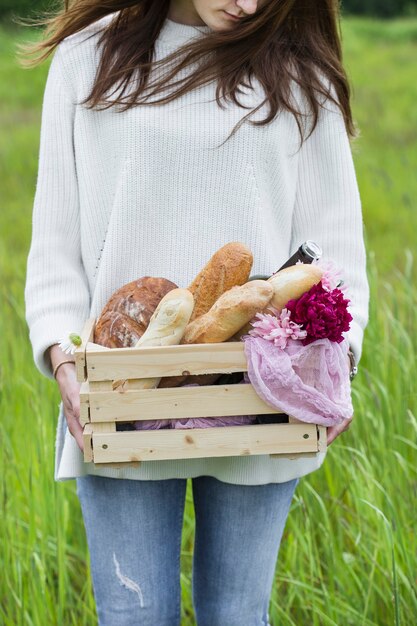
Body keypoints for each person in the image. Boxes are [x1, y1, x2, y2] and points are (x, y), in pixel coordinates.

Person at [23, 0, 369, 624]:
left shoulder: (297, 69)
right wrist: (64, 360)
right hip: (124, 393)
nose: (248, 5)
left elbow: (336, 246)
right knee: (133, 618)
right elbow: (55, 243)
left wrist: (338, 357)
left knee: (237, 616)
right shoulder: (89, 61)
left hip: (261, 396)